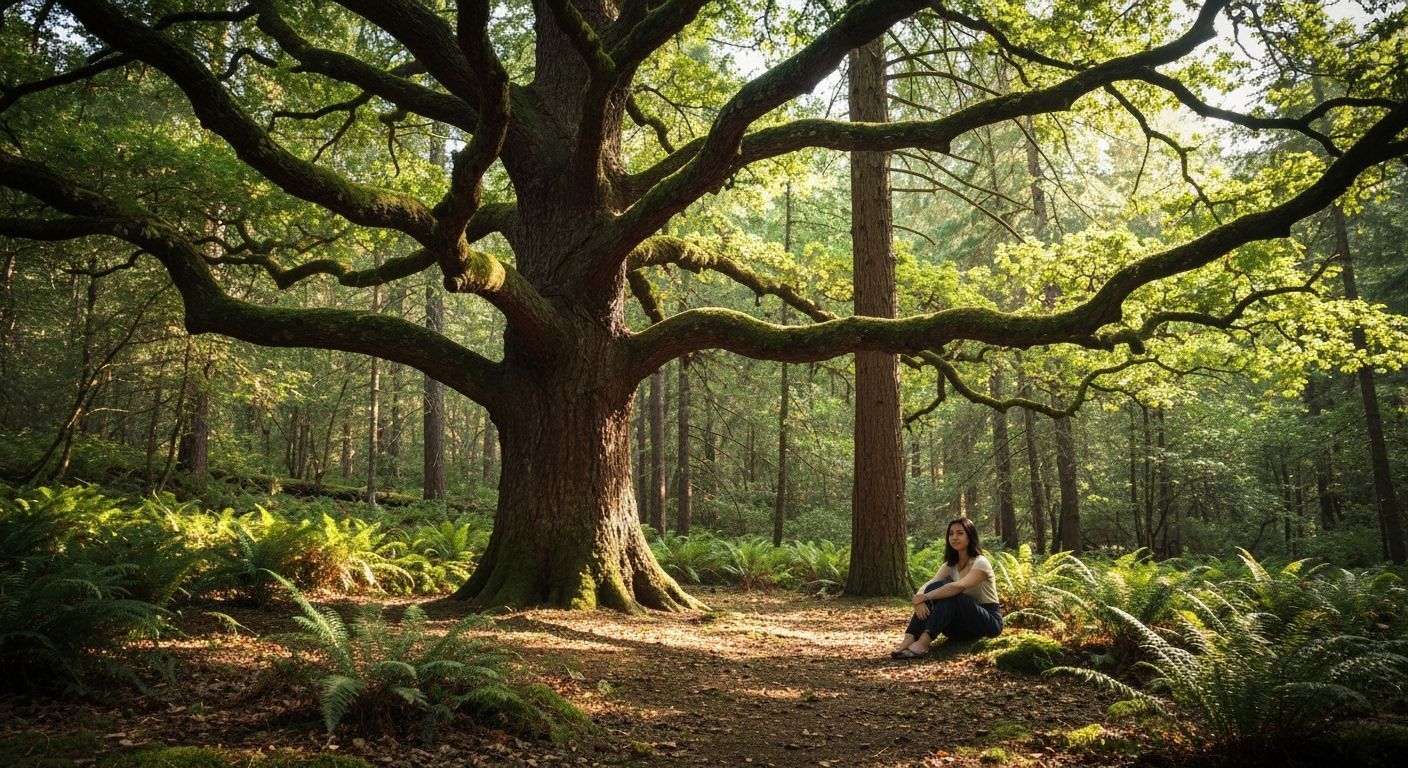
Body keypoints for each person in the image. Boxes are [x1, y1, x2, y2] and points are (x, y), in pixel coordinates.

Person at [890, 517, 1002, 659]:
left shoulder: (981, 563)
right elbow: (930, 584)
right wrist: (918, 599)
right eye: (951, 533)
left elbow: (958, 586)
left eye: (960, 533)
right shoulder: (951, 564)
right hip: (959, 627)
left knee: (953, 595)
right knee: (936, 587)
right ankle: (909, 638)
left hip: (987, 622)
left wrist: (926, 597)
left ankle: (923, 643)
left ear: (970, 535)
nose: (954, 537)